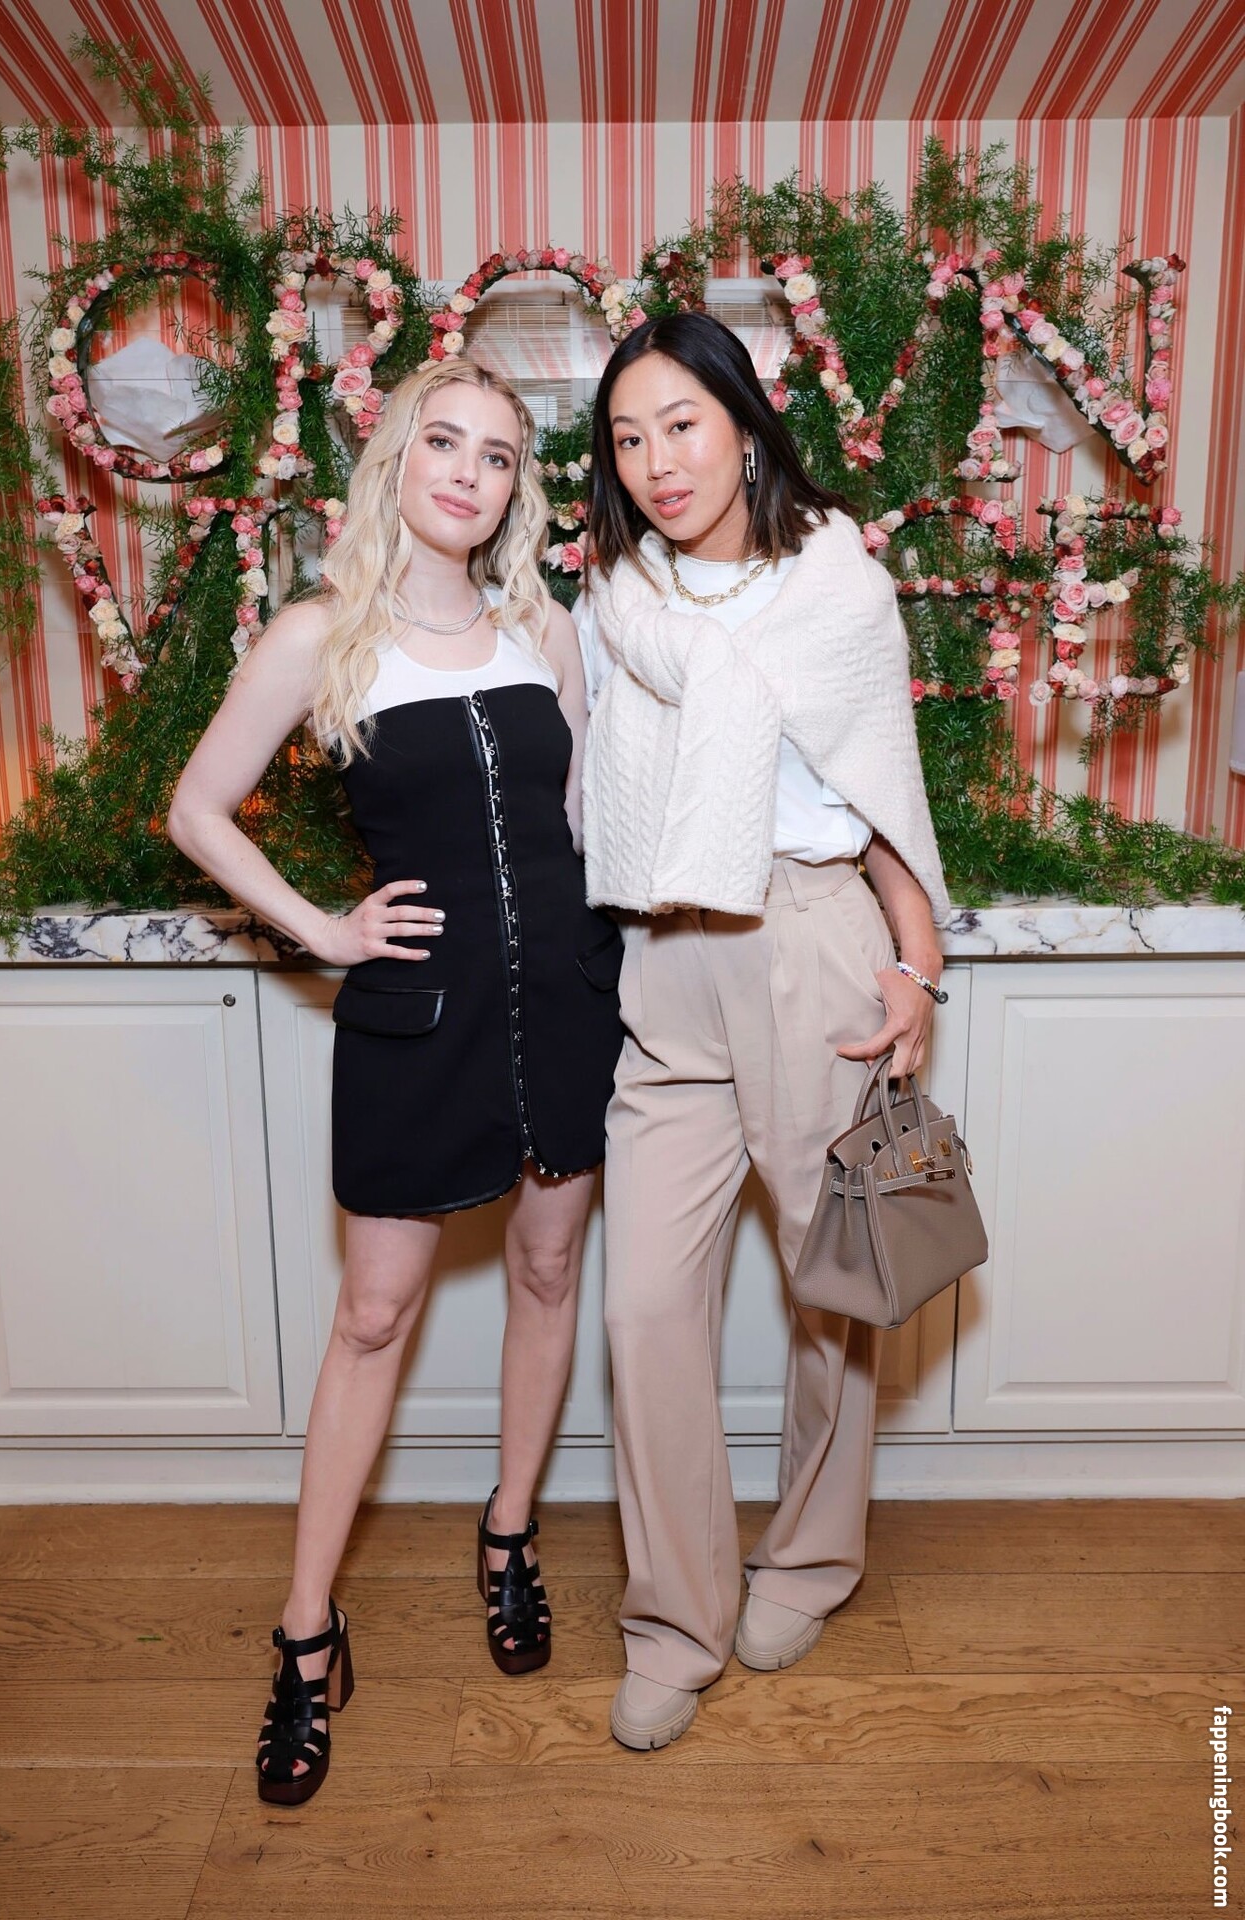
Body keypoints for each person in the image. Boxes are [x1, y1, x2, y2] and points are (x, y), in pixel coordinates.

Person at [167, 357, 623, 1805]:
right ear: (397, 460)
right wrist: (320, 929)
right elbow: (196, 808)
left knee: (549, 1273)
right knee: (371, 1316)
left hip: (563, 1003)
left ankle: (509, 1533)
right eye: (445, 442)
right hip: (416, 1022)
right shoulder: (320, 636)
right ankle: (307, 1633)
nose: (468, 473)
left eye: (497, 455)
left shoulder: (544, 628)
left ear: (515, 489)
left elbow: (583, 820)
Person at [572, 310, 952, 1750]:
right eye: (628, 438)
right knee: (643, 1306)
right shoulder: (618, 598)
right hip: (667, 950)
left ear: (743, 425)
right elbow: (594, 786)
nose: (658, 461)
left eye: (681, 423)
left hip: (811, 936)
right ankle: (676, 1615)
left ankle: (807, 1559)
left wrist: (917, 968)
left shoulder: (834, 580)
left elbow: (884, 787)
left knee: (832, 1284)